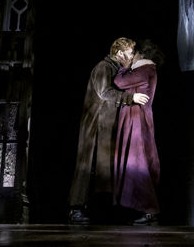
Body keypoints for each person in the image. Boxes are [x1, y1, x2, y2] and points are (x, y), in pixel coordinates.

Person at [68, 37, 149, 225]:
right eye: (129, 53)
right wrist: (131, 98)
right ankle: (75, 208)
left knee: (104, 171)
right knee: (88, 167)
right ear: (119, 53)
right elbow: (104, 92)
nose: (132, 56)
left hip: (106, 125)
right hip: (96, 126)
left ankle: (102, 211)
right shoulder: (104, 67)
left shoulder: (115, 68)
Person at [113, 39, 164, 225]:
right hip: (136, 120)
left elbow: (119, 82)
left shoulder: (144, 69)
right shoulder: (145, 69)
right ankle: (142, 210)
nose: (131, 57)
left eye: (133, 54)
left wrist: (124, 68)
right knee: (135, 165)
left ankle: (149, 211)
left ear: (142, 54)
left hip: (137, 121)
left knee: (139, 164)